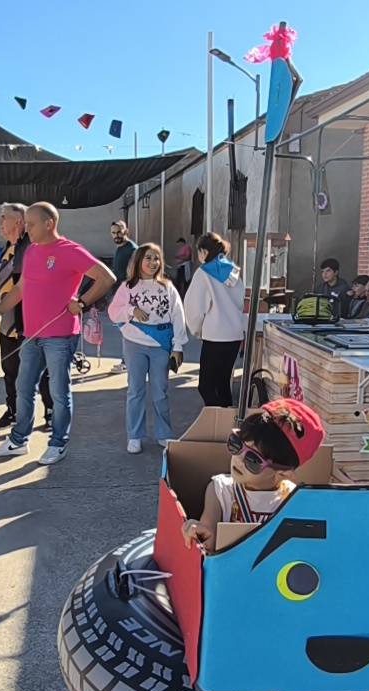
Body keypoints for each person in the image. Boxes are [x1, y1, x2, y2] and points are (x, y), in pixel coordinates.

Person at [0, 202, 116, 466]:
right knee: (23, 386)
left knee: (59, 391)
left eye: (30, 224)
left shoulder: (69, 251)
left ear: (49, 224)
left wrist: (83, 303)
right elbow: (20, 289)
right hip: (31, 334)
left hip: (60, 336)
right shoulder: (31, 251)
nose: (25, 228)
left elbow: (106, 277)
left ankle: (58, 443)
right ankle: (19, 440)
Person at [181, 398, 325, 553]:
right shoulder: (221, 490)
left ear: (283, 473)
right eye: (236, 444)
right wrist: (201, 533)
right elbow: (207, 530)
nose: (239, 459)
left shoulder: (295, 501)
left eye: (253, 460)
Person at [108, 243, 186, 454]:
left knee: (160, 390)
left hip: (161, 344)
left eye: (156, 258)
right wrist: (131, 311)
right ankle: (134, 435)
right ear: (138, 261)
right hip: (134, 343)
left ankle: (164, 433)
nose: (153, 263)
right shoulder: (127, 287)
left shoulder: (167, 287)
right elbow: (113, 312)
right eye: (148, 258)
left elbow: (178, 316)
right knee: (136, 390)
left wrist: (177, 346)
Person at [0, 203, 53, 431]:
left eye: (3, 218)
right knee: (10, 370)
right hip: (8, 321)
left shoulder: (32, 248)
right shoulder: (9, 247)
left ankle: (50, 411)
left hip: (30, 321)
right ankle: (13, 411)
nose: (0, 222)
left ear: (18, 222)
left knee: (41, 370)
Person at [183, 232, 246, 407]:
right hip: (234, 335)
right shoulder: (233, 271)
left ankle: (215, 421)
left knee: (206, 386)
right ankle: (226, 422)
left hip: (215, 335)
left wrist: (197, 329)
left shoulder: (204, 273)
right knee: (224, 383)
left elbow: (194, 307)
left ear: (203, 251)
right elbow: (241, 302)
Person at [108, 220, 139, 373]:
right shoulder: (120, 249)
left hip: (129, 296)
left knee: (128, 329)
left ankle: (127, 362)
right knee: (124, 329)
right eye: (113, 232)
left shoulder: (132, 249)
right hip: (119, 295)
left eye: (119, 231)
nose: (116, 235)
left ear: (126, 231)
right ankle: (127, 360)